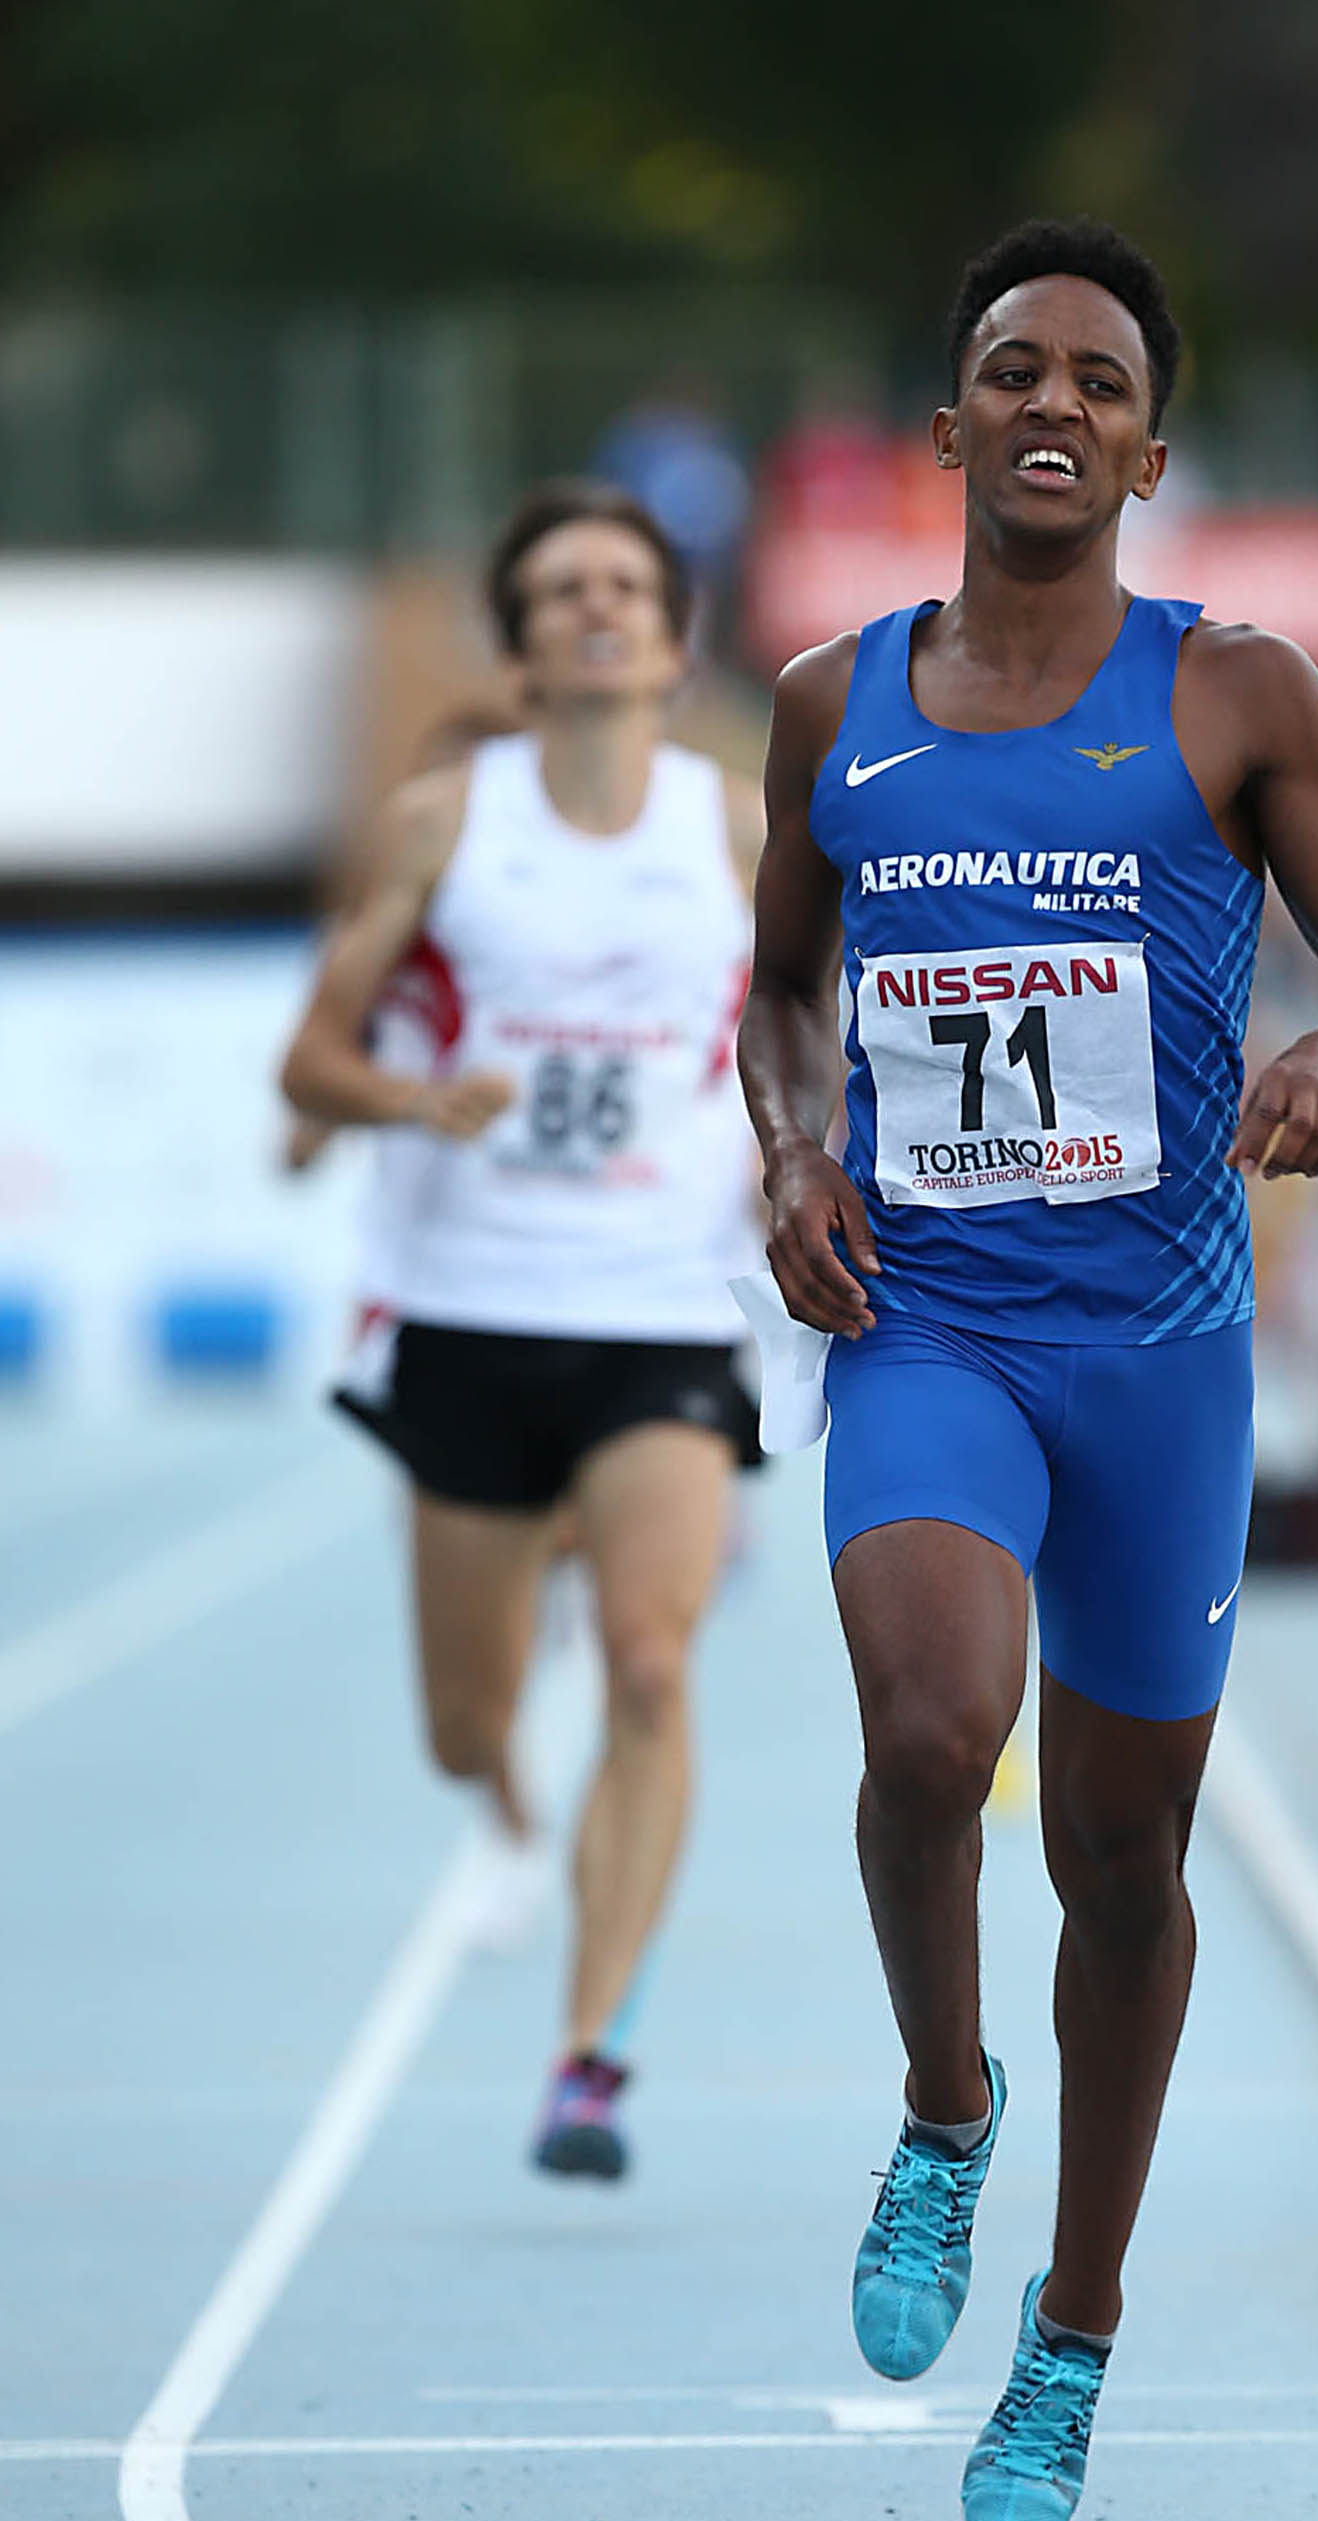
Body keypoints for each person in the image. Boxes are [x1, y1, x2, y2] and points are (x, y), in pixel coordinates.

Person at [737, 218, 1318, 2521]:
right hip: (929, 1321)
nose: (1049, 400)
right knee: (925, 1735)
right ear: (946, 428)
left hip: (1156, 1356)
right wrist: (789, 1150)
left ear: (1146, 454)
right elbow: (780, 990)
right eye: (1008, 367)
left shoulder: (1233, 696)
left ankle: (1071, 2328)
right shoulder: (827, 705)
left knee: (1120, 1860)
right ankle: (946, 2105)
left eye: (1097, 381)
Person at [281, 480, 764, 2178]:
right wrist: (417, 1100)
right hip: (472, 1313)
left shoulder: (734, 828)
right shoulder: (442, 821)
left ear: (676, 640)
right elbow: (309, 1062)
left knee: (649, 1660)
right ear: (522, 647)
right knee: (464, 1722)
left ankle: (590, 2055)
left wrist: (804, 1156)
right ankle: (499, 1773)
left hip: (662, 1308)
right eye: (562, 589)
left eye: (627, 584)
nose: (597, 606)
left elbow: (819, 1018)